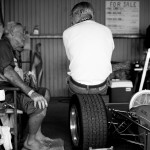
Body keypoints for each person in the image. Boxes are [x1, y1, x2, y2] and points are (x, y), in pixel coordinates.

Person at [0, 21, 51, 150]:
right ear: (11, 33)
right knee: (39, 106)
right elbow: (8, 73)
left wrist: (27, 77)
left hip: (14, 90)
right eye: (22, 33)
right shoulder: (2, 45)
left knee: (45, 93)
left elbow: (14, 71)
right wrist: (31, 93)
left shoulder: (12, 49)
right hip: (7, 93)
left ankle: (37, 134)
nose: (24, 36)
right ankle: (30, 141)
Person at [63, 2, 115, 95]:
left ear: (79, 12)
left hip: (78, 86)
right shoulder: (106, 30)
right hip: (101, 86)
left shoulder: (68, 32)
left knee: (69, 78)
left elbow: (71, 58)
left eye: (72, 15)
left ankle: (76, 108)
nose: (71, 19)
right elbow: (108, 53)